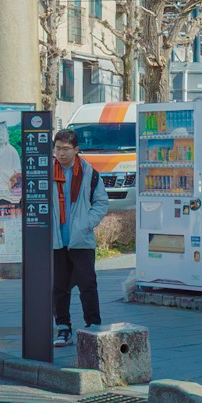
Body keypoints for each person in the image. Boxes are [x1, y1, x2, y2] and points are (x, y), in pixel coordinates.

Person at [50, 127, 111, 348]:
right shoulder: (46, 171)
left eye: (66, 149)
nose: (61, 153)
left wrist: (85, 224)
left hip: (81, 239)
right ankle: (63, 327)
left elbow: (101, 202)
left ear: (76, 149)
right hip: (56, 239)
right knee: (59, 286)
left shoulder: (89, 173)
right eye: (57, 148)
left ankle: (93, 325)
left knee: (87, 283)